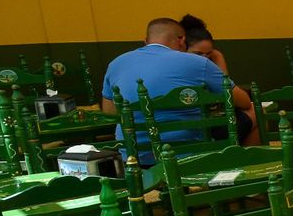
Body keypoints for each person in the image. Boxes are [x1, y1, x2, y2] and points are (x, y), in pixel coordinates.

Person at [101, 17, 256, 162]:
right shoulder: (198, 63)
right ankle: (245, 167)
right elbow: (243, 101)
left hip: (135, 156)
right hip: (189, 154)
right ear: (182, 39)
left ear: (146, 41)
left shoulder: (115, 64)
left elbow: (110, 113)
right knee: (254, 110)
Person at [177, 13, 258, 144]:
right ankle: (246, 156)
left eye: (208, 54)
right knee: (257, 111)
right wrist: (218, 56)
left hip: (188, 129)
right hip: (201, 132)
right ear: (182, 47)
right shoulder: (203, 68)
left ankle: (242, 154)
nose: (204, 59)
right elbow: (240, 100)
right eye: (198, 54)